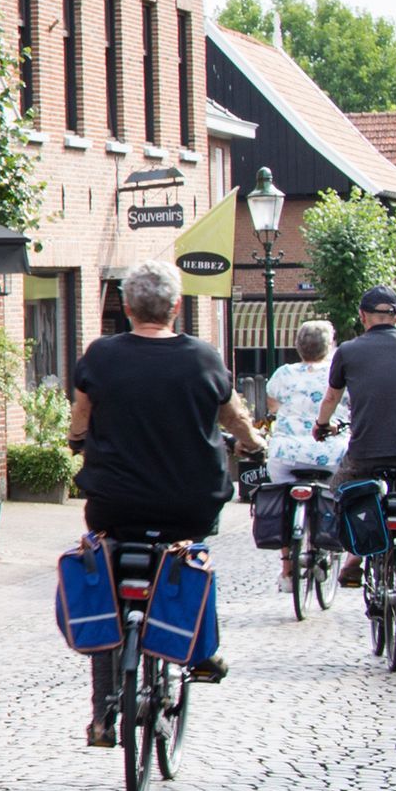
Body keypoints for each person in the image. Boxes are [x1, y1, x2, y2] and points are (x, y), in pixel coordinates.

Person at [67, 262, 261, 741]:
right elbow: (234, 417)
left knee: (107, 583)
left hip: (115, 503)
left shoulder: (101, 355)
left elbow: (80, 416)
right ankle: (202, 650)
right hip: (186, 505)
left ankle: (102, 716)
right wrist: (254, 443)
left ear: (126, 307)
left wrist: (77, 442)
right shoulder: (203, 358)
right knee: (192, 558)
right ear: (176, 307)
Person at [317, 285, 396, 634]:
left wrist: (321, 425)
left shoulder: (348, 351)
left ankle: (354, 558)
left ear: (363, 317)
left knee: (343, 491)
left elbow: (331, 398)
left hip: (366, 453)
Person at [260, 321, 340, 593]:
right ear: (329, 346)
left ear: (298, 346)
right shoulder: (336, 373)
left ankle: (287, 569)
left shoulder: (284, 373)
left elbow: (273, 405)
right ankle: (324, 543)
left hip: (287, 454)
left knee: (283, 498)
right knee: (334, 492)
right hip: (328, 453)